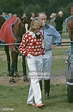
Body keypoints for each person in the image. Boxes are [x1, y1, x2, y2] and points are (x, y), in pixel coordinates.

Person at [19, 17, 45, 107]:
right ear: (34, 26)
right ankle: (39, 101)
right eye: (39, 27)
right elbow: (21, 48)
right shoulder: (27, 35)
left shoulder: (40, 34)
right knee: (34, 79)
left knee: (36, 79)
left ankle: (30, 100)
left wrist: (42, 52)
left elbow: (42, 45)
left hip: (39, 57)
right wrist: (28, 54)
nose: (40, 29)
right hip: (31, 58)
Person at [38, 12, 61, 99]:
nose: (44, 21)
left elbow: (58, 37)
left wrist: (54, 44)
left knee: (46, 72)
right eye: (42, 19)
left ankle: (47, 92)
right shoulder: (35, 29)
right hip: (38, 53)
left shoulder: (50, 28)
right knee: (38, 73)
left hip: (47, 52)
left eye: (45, 19)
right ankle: (38, 93)